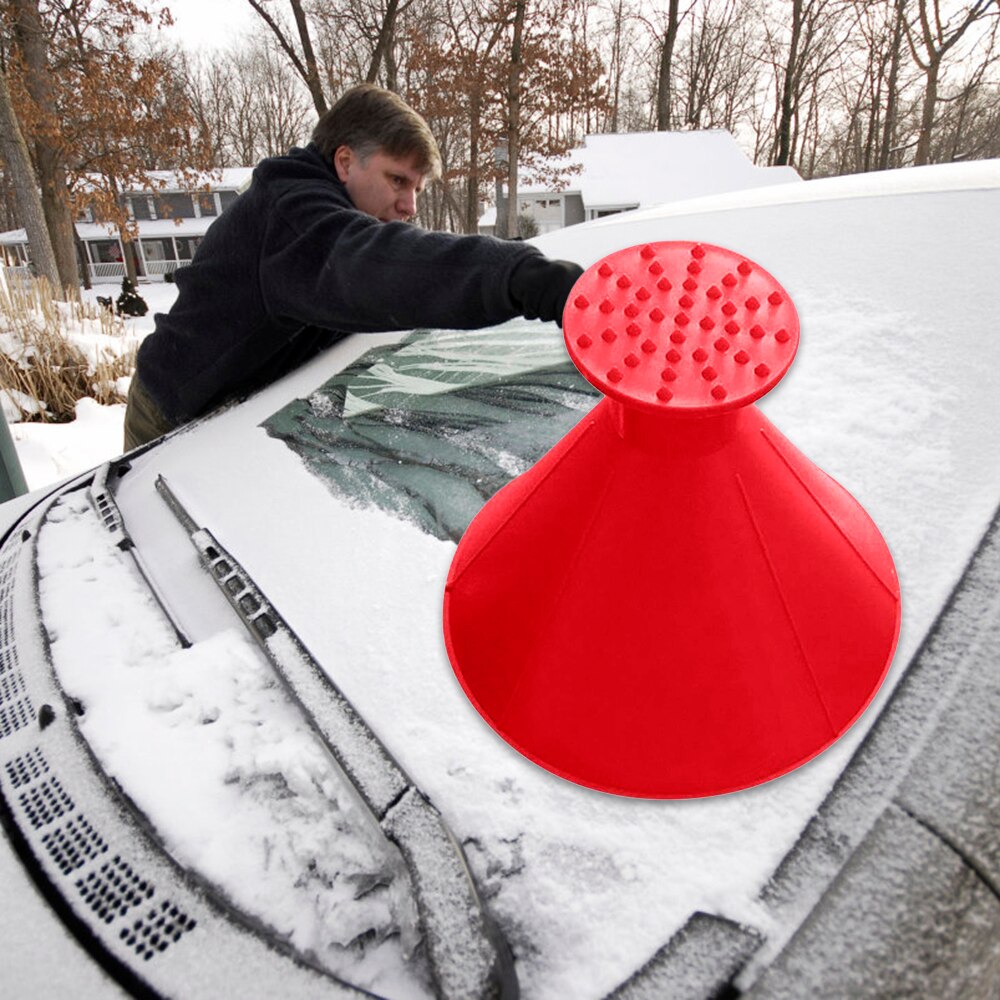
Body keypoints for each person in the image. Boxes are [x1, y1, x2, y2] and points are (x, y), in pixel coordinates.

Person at [124, 84, 583, 449]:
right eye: (397, 180)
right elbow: (379, 267)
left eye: (417, 189)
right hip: (173, 418)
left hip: (237, 411)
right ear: (345, 161)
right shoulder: (293, 215)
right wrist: (520, 277)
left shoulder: (312, 211)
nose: (409, 205)